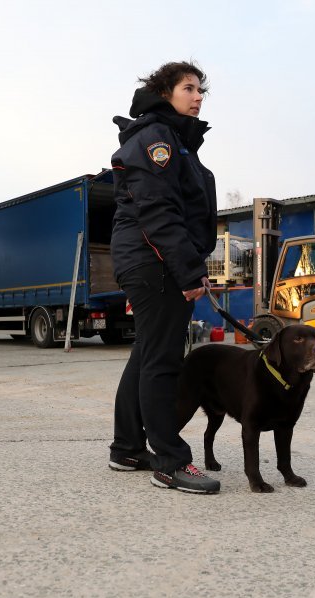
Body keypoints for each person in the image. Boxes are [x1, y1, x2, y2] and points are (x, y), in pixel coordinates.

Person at [107, 61, 220, 494]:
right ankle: (171, 463)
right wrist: (189, 271)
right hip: (154, 261)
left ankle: (127, 448)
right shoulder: (157, 138)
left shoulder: (172, 139)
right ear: (164, 92)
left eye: (200, 90)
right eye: (188, 88)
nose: (197, 97)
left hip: (151, 260)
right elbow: (158, 211)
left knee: (146, 354)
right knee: (163, 361)